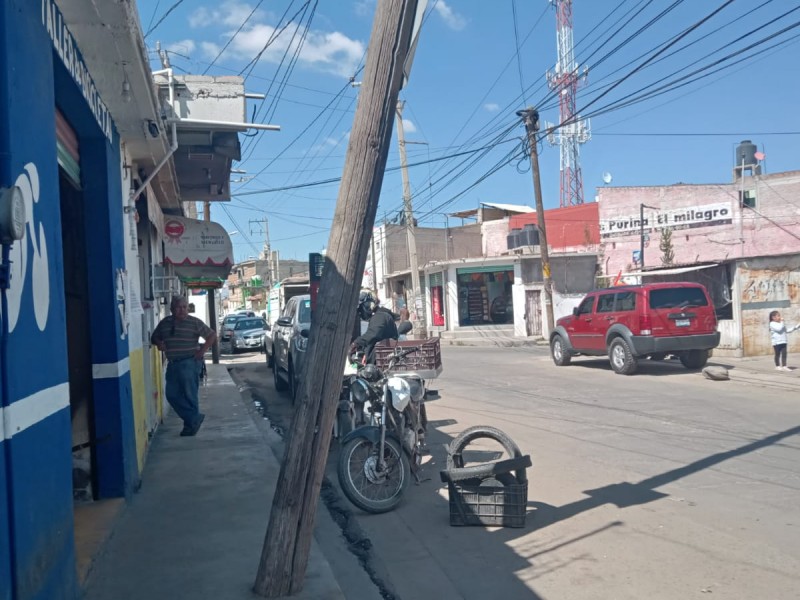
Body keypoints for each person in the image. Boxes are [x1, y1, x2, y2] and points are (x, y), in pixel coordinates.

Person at [151, 295, 217, 436]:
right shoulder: (165, 322)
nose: (182, 310)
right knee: (171, 395)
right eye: (178, 307)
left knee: (189, 395)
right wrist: (159, 343)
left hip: (189, 363)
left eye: (184, 307)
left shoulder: (194, 322)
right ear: (171, 309)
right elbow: (154, 336)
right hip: (173, 364)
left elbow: (212, 335)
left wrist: (202, 351)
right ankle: (194, 418)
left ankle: (190, 427)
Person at [351, 291, 399, 363]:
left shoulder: (380, 316)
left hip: (384, 361)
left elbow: (373, 334)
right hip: (382, 361)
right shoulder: (379, 316)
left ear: (369, 305)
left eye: (361, 309)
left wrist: (355, 344)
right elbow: (373, 340)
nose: (360, 313)